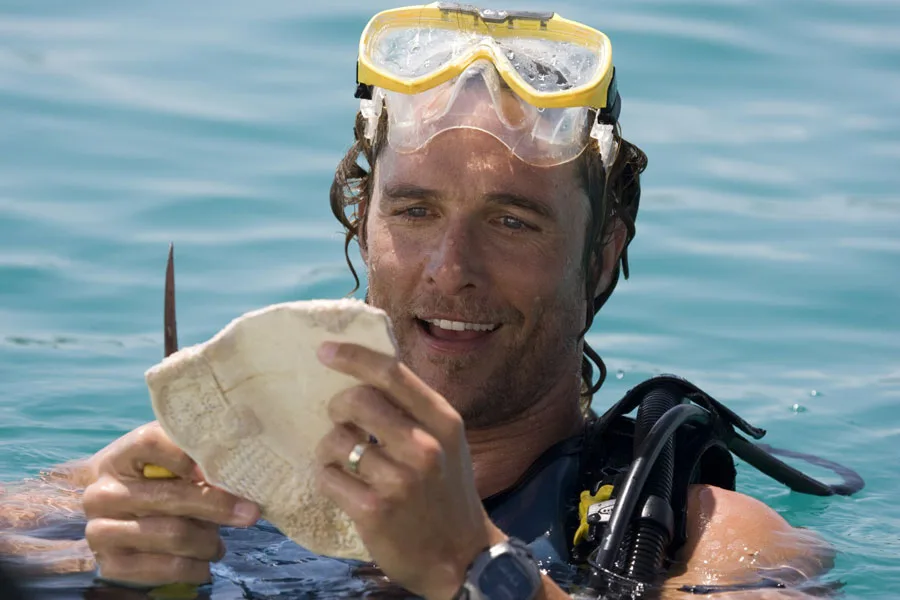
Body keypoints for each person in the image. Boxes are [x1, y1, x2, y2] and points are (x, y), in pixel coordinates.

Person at [1, 3, 843, 598]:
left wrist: (475, 565)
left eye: (512, 221)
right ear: (362, 223)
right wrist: (106, 570)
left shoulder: (709, 542)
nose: (450, 268)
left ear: (602, 256)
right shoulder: (209, 479)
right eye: (414, 211)